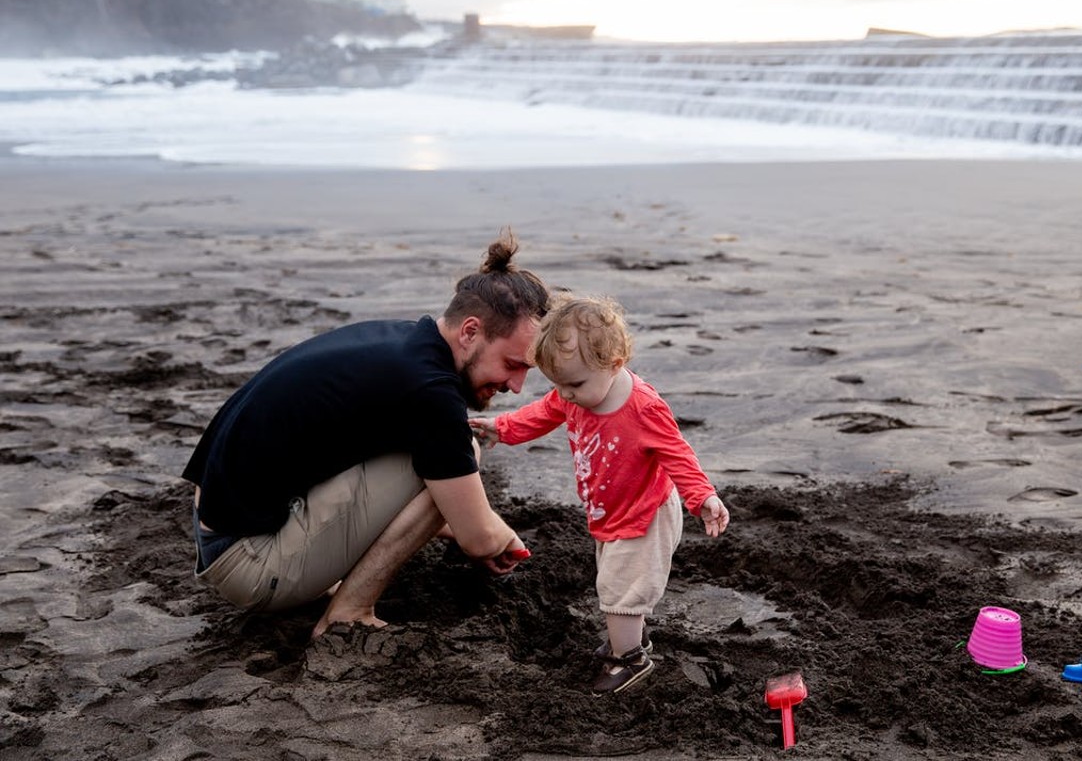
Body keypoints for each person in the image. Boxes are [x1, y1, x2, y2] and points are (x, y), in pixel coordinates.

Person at [182, 230, 550, 639]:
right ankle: (350, 610)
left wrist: (451, 519)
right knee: (459, 452)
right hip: (249, 564)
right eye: (513, 364)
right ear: (469, 331)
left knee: (436, 460)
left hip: (219, 527)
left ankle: (324, 578)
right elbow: (479, 540)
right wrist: (496, 532)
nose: (515, 386)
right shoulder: (430, 390)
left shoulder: (403, 345)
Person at [470, 295, 730, 696]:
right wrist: (502, 428)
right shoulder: (574, 392)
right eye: (559, 384)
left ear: (614, 363)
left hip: (645, 513)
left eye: (574, 385)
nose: (566, 395)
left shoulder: (642, 407)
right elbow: (541, 413)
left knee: (619, 589)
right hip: (610, 510)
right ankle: (630, 639)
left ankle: (628, 658)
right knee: (615, 578)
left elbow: (678, 454)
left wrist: (704, 498)